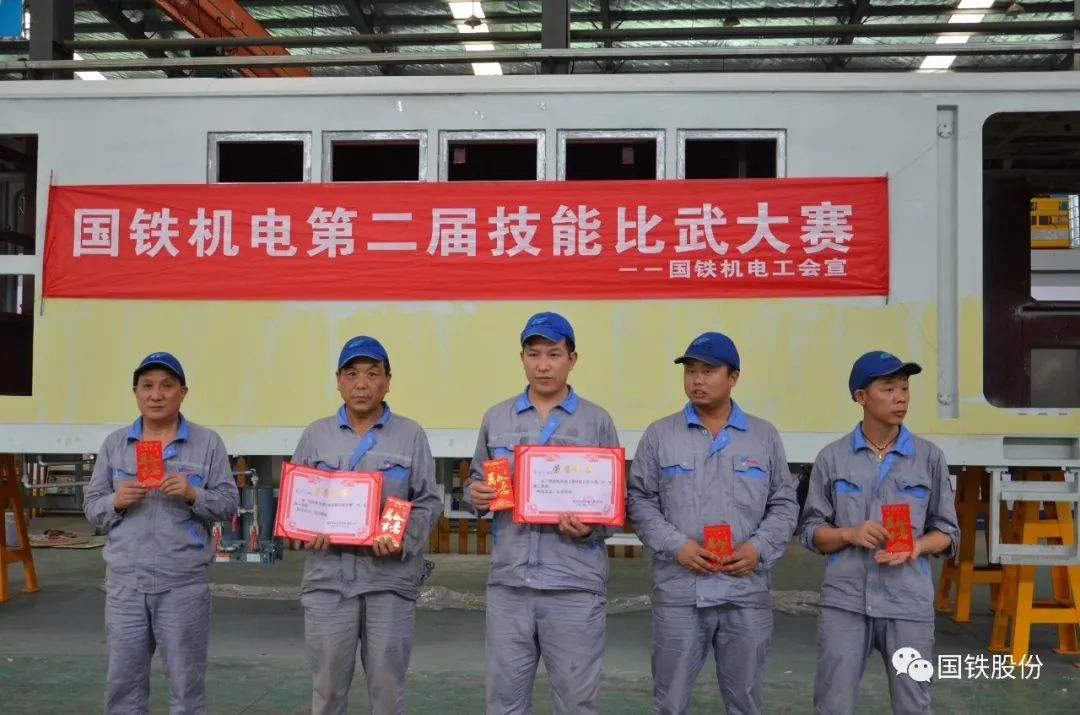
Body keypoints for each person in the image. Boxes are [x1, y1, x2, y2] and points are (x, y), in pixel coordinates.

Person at [626, 331, 798, 715]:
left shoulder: (762, 436)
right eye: (690, 371)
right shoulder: (660, 435)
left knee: (745, 701)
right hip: (680, 592)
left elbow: (784, 504)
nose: (697, 380)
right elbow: (639, 501)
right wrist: (677, 546)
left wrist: (757, 549)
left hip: (745, 592)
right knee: (669, 702)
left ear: (733, 377)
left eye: (708, 371)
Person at [464, 311, 620, 715]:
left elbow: (615, 506)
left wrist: (589, 529)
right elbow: (477, 482)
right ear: (522, 358)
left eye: (554, 354)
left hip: (574, 585)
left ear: (573, 359)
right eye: (534, 354)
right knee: (504, 703)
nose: (543, 365)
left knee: (577, 703)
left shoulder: (597, 421)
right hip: (510, 585)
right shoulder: (496, 418)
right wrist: (476, 496)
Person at [796, 350, 959, 715]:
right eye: (888, 389)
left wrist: (916, 546)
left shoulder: (929, 458)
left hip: (907, 603)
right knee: (832, 705)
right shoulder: (832, 458)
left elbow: (948, 532)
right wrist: (848, 534)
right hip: (846, 603)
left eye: (904, 388)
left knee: (913, 705)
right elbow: (810, 530)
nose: (900, 398)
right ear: (861, 396)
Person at [290, 335, 441, 715]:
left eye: (373, 374)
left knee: (387, 692)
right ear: (338, 381)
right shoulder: (316, 435)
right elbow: (298, 500)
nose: (361, 384)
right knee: (327, 691)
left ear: (388, 382)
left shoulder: (410, 435)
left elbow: (427, 501)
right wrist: (306, 529)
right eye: (352, 374)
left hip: (388, 582)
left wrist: (400, 535)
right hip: (328, 582)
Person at [84, 351, 239, 715]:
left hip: (182, 585)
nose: (156, 395)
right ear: (135, 392)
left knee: (186, 688)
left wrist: (192, 494)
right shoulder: (115, 444)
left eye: (167, 386)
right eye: (147, 386)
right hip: (125, 585)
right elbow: (91, 506)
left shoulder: (207, 443)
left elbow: (229, 504)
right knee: (123, 688)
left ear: (183, 392)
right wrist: (115, 501)